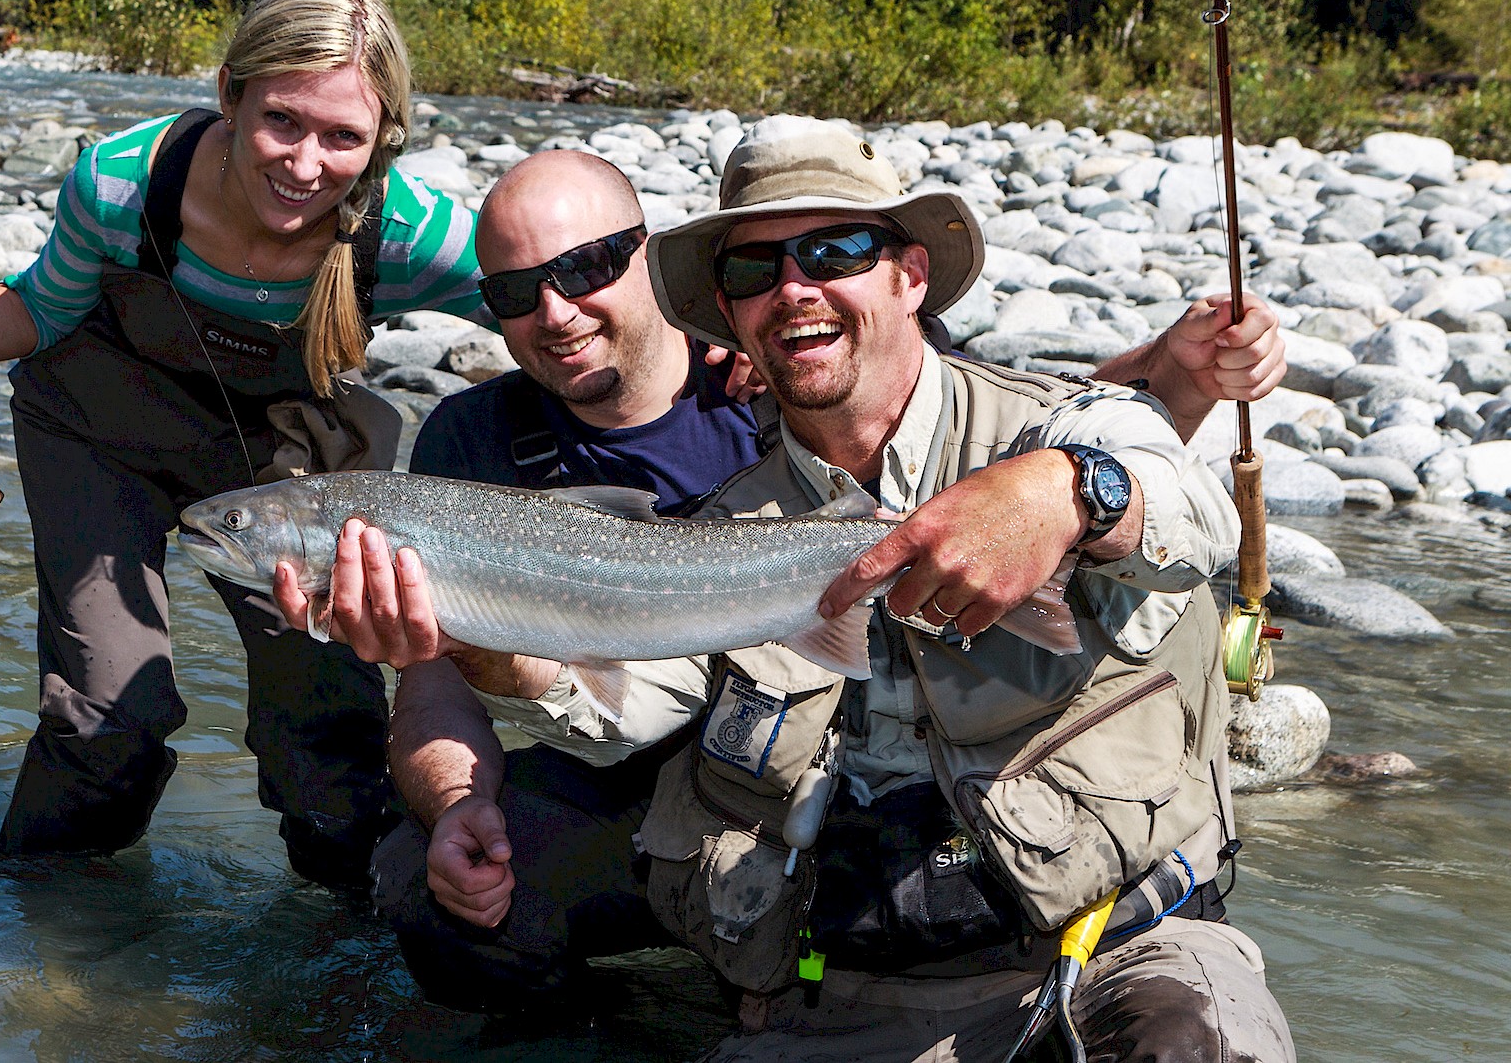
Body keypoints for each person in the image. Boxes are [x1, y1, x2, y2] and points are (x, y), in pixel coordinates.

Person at [288, 119, 1293, 1060]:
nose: (795, 287)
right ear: (729, 311)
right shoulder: (722, 529)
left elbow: (1189, 509)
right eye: (757, 269)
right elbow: (619, 706)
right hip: (846, 992)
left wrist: (1073, 489)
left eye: (837, 252)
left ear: (911, 274)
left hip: (1123, 958)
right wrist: (466, 637)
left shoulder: (1059, 426)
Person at [0, 0, 486, 895]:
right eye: (282, 121)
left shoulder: (407, 231)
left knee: (325, 729)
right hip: (99, 437)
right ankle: (61, 942)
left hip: (280, 469)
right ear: (229, 94)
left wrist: (712, 342)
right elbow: (39, 306)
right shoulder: (121, 183)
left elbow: (560, 292)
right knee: (106, 715)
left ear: (382, 141)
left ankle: (354, 936)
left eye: (343, 138)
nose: (305, 163)